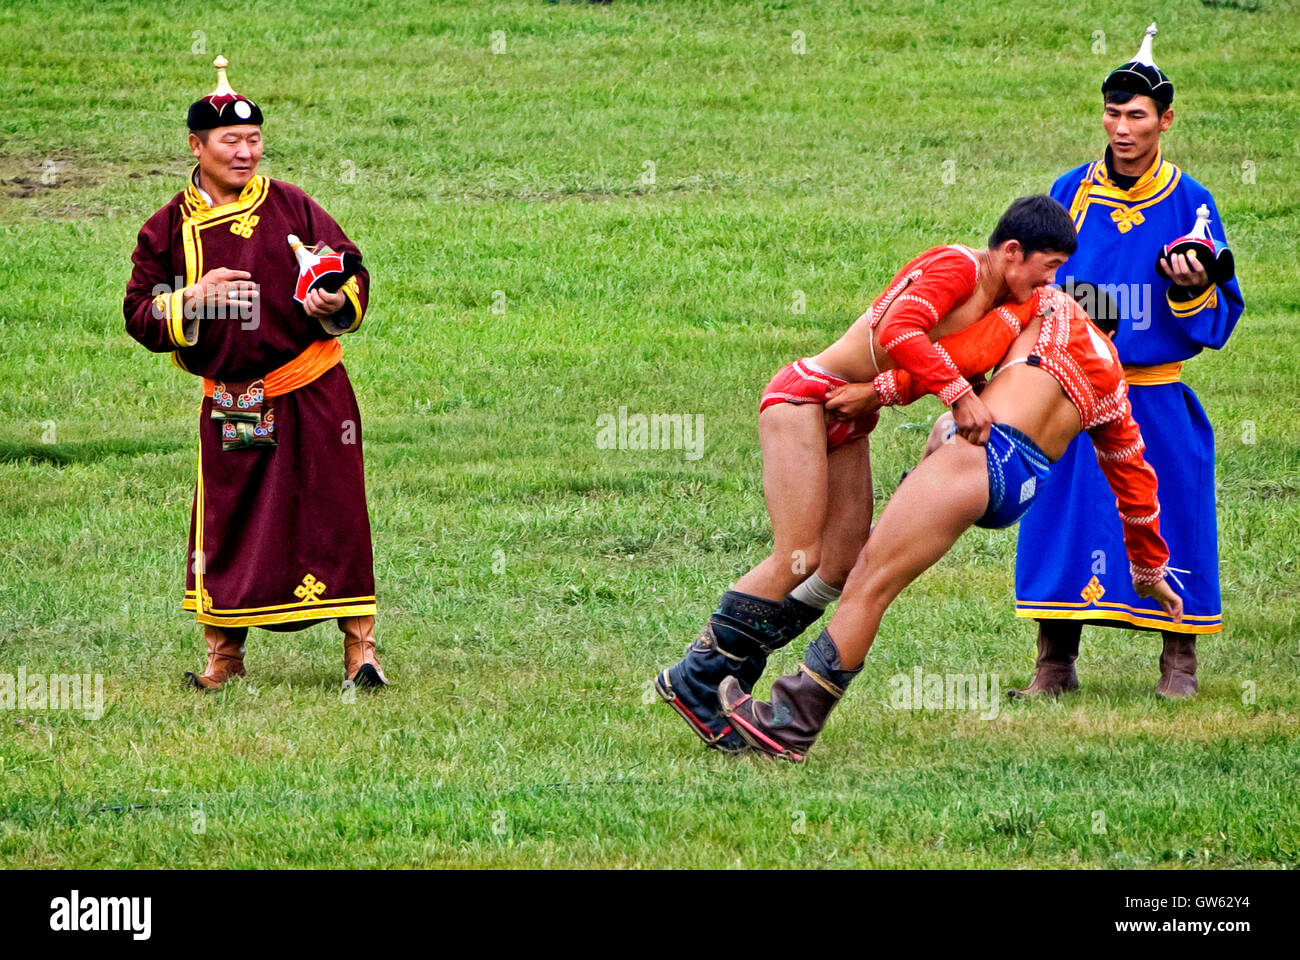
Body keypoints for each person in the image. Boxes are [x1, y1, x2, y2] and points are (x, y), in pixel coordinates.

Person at [655, 196, 1077, 752]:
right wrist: (958, 397)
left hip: (845, 415)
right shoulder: (959, 266)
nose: (1052, 280)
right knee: (798, 554)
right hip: (804, 397)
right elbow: (901, 329)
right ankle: (695, 677)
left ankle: (738, 675)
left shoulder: (1006, 302)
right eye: (1048, 267)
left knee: (843, 560)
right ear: (1014, 251)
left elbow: (930, 361)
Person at [719, 286, 1182, 761]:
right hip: (1016, 490)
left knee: (868, 583)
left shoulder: (1051, 308)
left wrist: (874, 391)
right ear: (1112, 335)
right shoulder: (1114, 390)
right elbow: (1137, 487)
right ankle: (912, 494)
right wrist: (1149, 572)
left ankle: (789, 721)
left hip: (981, 458)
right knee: (926, 469)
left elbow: (960, 355)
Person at [123, 57, 387, 690]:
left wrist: (335, 301)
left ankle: (362, 653)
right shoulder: (166, 228)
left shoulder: (291, 204)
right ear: (196, 145)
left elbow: (348, 270)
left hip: (312, 388)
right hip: (231, 402)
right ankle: (224, 657)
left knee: (335, 515)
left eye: (254, 140)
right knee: (229, 525)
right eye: (230, 141)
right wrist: (191, 298)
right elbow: (136, 312)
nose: (245, 153)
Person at [1012, 24, 1244, 699]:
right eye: (1112, 113)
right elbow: (1037, 277)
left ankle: (1180, 662)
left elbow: (1220, 310)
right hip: (1072, 392)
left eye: (1136, 115)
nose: (1121, 127)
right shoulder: (1070, 188)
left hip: (1153, 393)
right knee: (1060, 512)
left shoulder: (1189, 200)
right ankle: (1053, 663)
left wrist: (1187, 284)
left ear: (1165, 121)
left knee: (1174, 514)